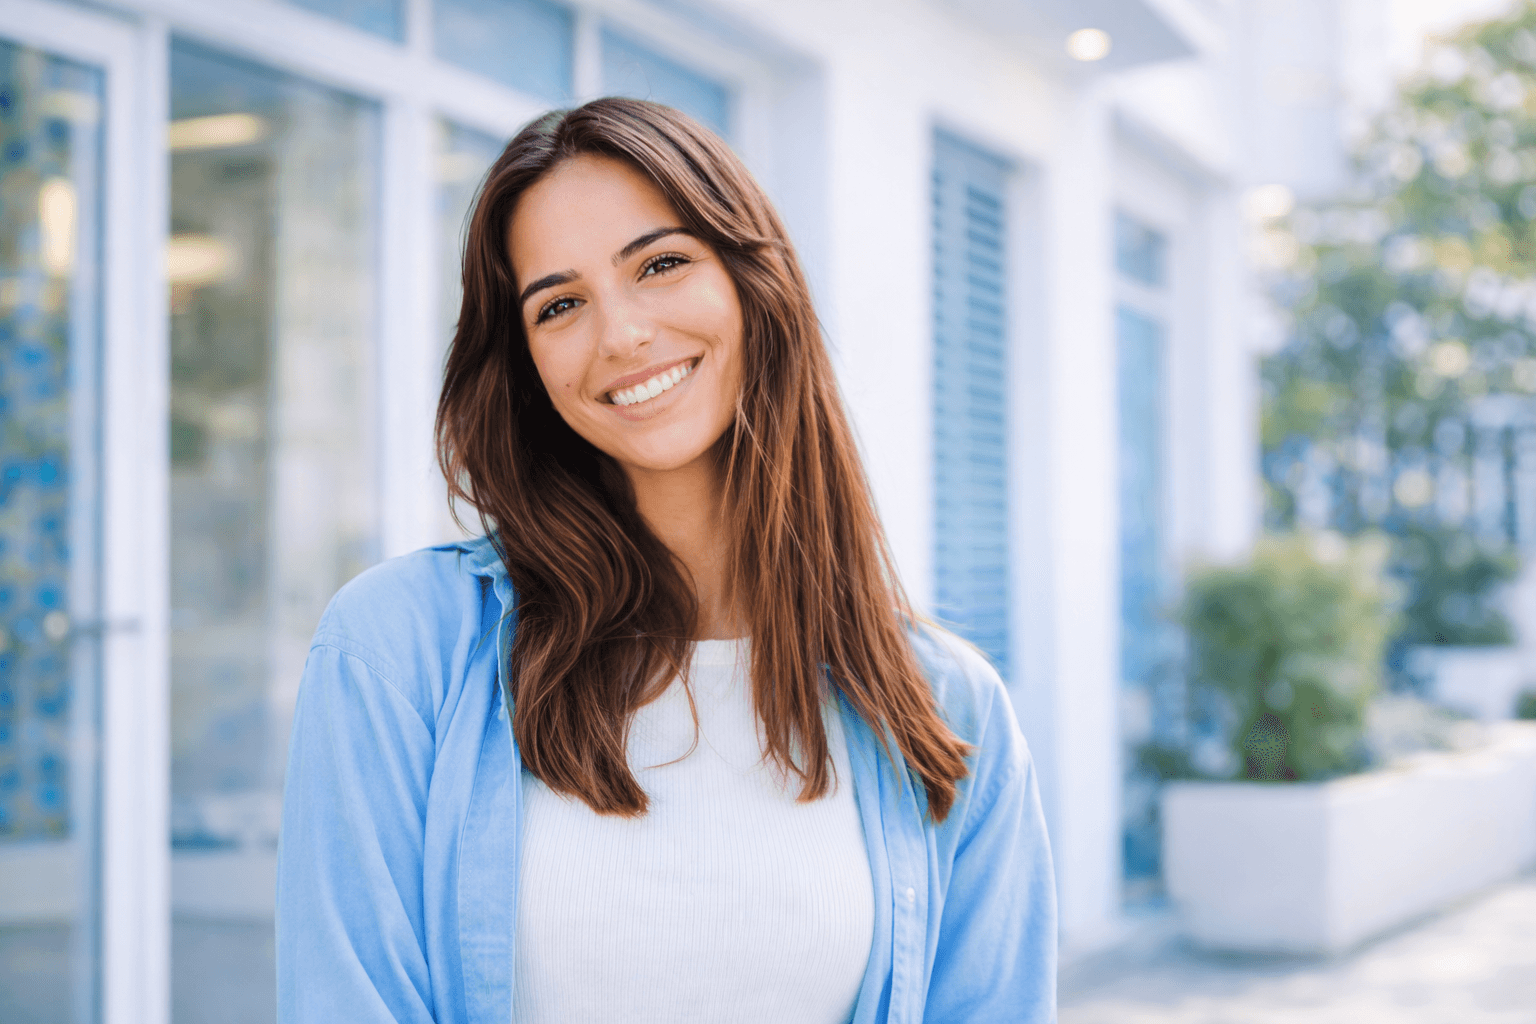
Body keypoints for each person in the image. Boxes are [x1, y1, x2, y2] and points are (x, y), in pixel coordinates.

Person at [275, 97, 1056, 1024]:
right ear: (523, 362)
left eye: (661, 264)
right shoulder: (397, 652)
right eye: (559, 304)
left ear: (752, 282)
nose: (621, 335)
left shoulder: (946, 711)